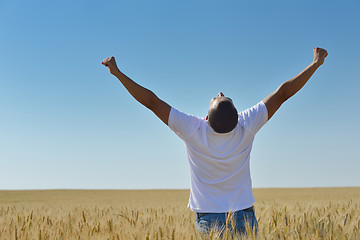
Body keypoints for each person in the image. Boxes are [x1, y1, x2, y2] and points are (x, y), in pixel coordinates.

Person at [102, 47, 328, 235]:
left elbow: (152, 101)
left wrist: (118, 73)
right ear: (239, 116)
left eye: (220, 97)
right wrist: (316, 63)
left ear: (207, 118)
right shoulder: (246, 126)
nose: (220, 93)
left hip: (208, 221)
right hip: (244, 219)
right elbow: (282, 94)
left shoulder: (193, 129)